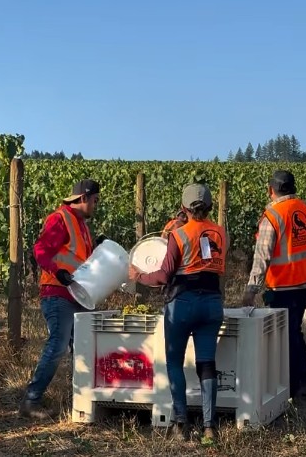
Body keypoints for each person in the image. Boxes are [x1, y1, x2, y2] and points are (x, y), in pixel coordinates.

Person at [129, 183, 227, 441]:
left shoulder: (179, 234)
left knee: (174, 362)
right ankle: (209, 427)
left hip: (182, 303)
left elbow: (163, 275)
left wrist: (138, 275)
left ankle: (180, 425)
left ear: (183, 207)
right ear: (209, 206)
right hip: (212, 304)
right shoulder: (220, 233)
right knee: (207, 364)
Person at [19, 179, 101, 419]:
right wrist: (59, 272)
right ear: (84, 198)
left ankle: (83, 400)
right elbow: (41, 250)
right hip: (57, 292)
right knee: (58, 345)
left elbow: (79, 259)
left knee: (83, 346)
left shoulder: (82, 224)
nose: (96, 205)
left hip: (77, 295)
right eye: (95, 200)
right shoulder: (60, 218)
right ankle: (31, 401)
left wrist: (98, 247)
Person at [242, 170, 306, 399]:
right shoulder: (304, 208)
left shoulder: (272, 216)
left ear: (270, 189)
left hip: (283, 286)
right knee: (295, 332)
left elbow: (261, 256)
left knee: (285, 338)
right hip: (304, 283)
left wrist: (251, 288)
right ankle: (302, 383)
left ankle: (291, 388)